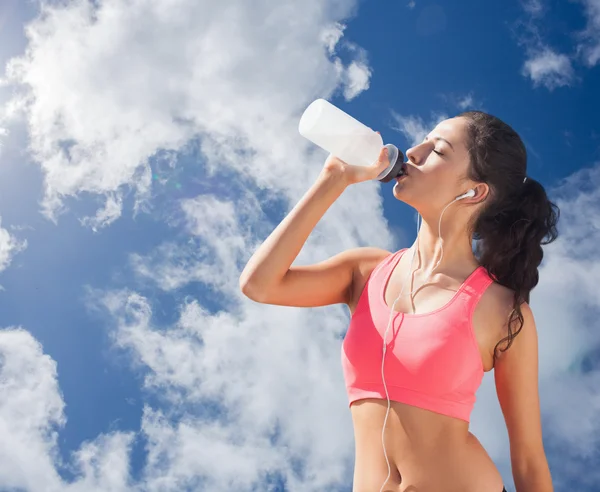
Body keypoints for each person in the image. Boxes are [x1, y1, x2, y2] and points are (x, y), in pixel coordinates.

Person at [239, 110, 558, 492]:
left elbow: (528, 457)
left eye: (437, 150)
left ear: (473, 192)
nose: (414, 150)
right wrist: (333, 179)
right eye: (423, 139)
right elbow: (260, 285)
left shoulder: (504, 310)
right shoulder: (364, 272)